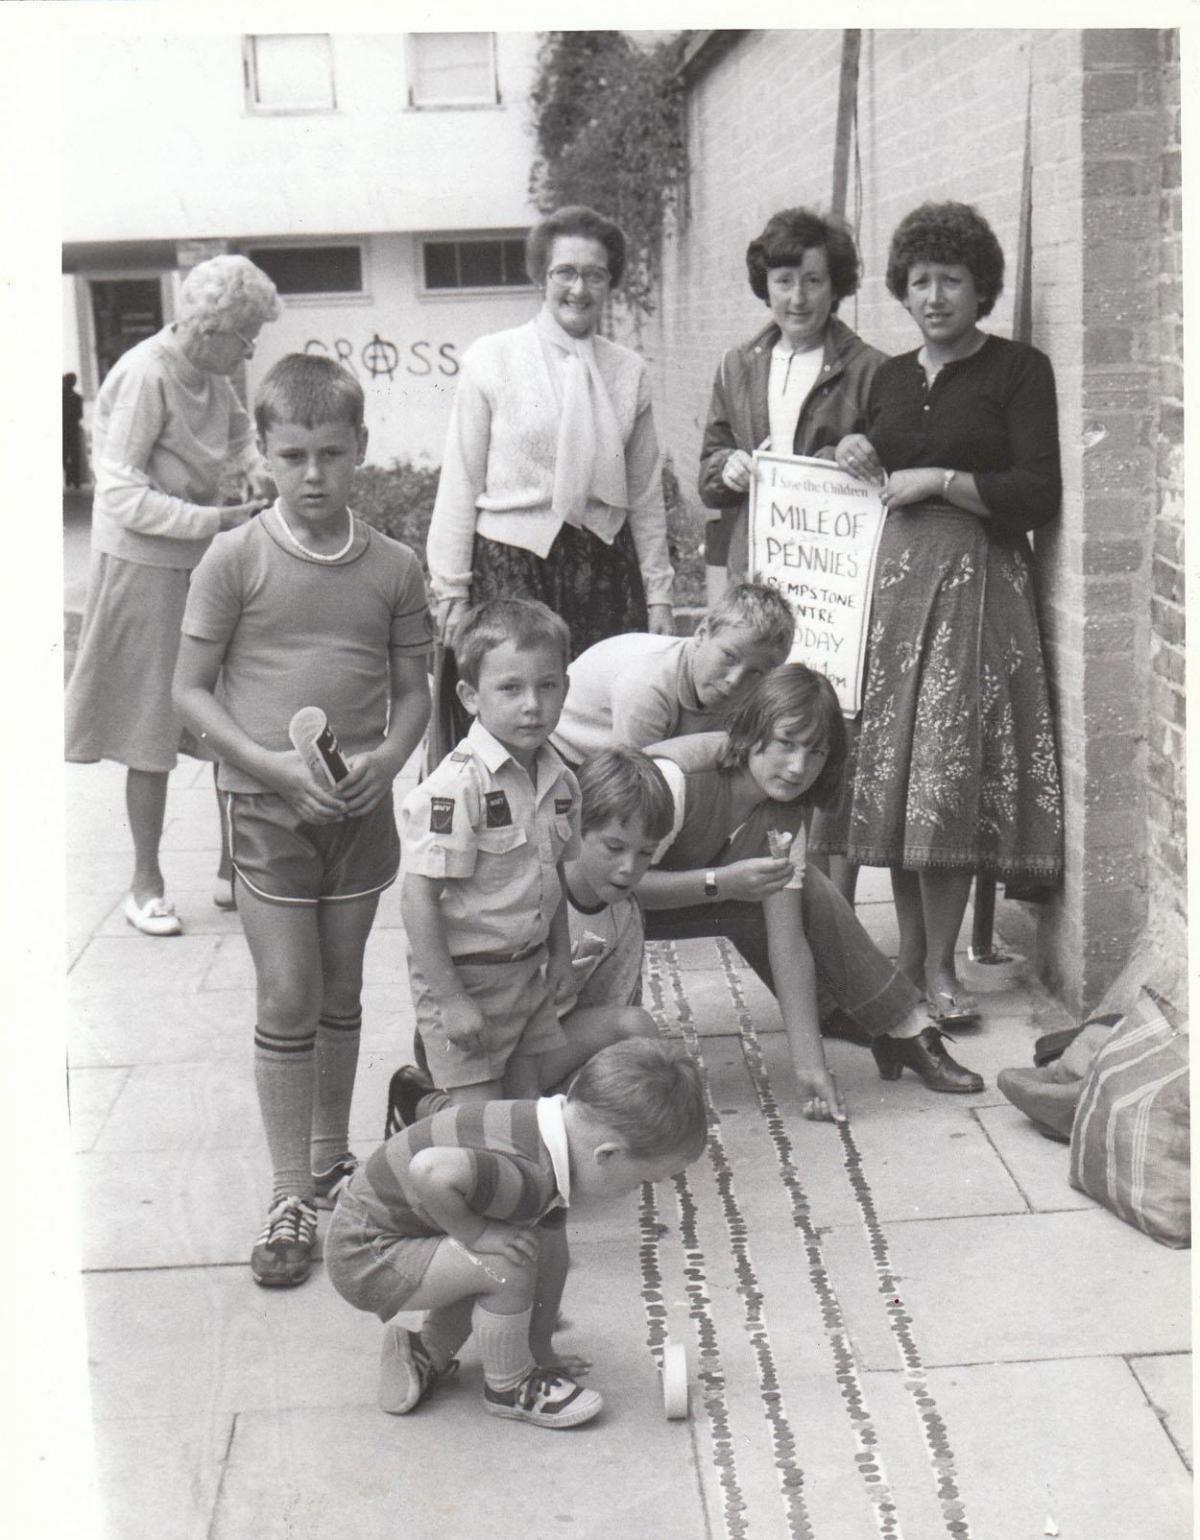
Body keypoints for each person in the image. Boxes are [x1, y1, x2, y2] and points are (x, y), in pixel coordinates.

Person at [173, 354, 433, 1288]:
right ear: (263, 454)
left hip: (357, 812)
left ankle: (331, 1159)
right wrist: (271, 767)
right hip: (267, 810)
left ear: (360, 448)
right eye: (293, 455)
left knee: (340, 988)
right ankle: (288, 1190)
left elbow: (415, 695)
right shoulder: (234, 557)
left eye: (331, 452)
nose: (313, 474)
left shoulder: (394, 566)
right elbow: (189, 693)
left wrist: (389, 763)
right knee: (286, 993)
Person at [832, 201, 1063, 1025]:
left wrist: (941, 481)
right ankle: (905, 957)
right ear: (903, 287)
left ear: (981, 287)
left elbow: (1039, 490)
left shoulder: (1017, 371)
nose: (935, 296)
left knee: (946, 773)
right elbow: (867, 457)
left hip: (978, 588)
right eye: (921, 280)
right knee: (896, 778)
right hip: (897, 599)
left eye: (952, 279)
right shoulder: (891, 377)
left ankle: (940, 967)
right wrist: (851, 449)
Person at [637, 666, 985, 1119]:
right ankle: (887, 1026)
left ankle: (899, 1029)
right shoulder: (676, 778)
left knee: (801, 891)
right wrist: (720, 883)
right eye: (786, 742)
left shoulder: (783, 812)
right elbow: (608, 888)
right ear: (752, 729)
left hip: (683, 900)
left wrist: (812, 1070)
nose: (799, 766)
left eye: (816, 751)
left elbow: (788, 945)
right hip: (603, 917)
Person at [326, 1037, 708, 1426]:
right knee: (506, 1262)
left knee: (514, 1251)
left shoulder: (550, 1135)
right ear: (607, 1154)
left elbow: (554, 1255)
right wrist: (478, 1236)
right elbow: (430, 1171)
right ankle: (511, 1386)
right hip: (366, 1256)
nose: (639, 1190)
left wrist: (541, 1345)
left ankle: (425, 1351)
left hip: (388, 1234)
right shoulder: (528, 1177)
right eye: (643, 1179)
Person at [66, 254, 281, 935]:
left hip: (200, 558)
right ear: (209, 326)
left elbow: (244, 439)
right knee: (150, 725)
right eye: (245, 335)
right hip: (141, 566)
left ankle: (232, 868)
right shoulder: (145, 374)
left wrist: (257, 477)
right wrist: (214, 520)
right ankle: (144, 881)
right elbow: (121, 490)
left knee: (223, 712)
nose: (250, 349)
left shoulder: (215, 377)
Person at [426, 204, 674, 661]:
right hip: (511, 571)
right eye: (565, 272)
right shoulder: (491, 358)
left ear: (610, 283)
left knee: (597, 712)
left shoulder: (628, 371)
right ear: (541, 275)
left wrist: (658, 594)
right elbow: (460, 479)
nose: (579, 289)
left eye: (595, 275)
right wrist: (451, 591)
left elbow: (644, 494)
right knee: (519, 710)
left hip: (603, 574)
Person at [386, 746, 676, 1131]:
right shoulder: (528, 892)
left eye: (646, 854)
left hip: (541, 1042)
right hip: (477, 1032)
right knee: (499, 1134)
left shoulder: (624, 914)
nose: (629, 868)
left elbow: (608, 1008)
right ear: (573, 830)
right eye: (614, 847)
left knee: (635, 1032)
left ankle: (537, 1113)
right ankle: (425, 1104)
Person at [399, 598, 581, 1110]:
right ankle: (420, 1106)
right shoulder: (456, 787)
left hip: (526, 973)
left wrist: (562, 955)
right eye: (511, 688)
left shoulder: (561, 780)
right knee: (479, 1124)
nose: (532, 705)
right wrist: (452, 1000)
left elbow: (552, 876)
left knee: (522, 1111)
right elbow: (416, 900)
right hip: (465, 976)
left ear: (566, 687)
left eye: (548, 686)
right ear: (470, 696)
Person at [697, 207, 885, 603]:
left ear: (835, 287)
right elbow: (709, 474)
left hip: (834, 576)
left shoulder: (872, 370)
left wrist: (851, 456)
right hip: (756, 565)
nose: (797, 298)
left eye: (813, 281)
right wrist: (726, 468)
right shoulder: (737, 365)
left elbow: (888, 476)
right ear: (766, 286)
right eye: (784, 281)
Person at [550, 582, 795, 768]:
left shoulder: (739, 687)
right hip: (564, 753)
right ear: (701, 634)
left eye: (756, 672)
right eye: (729, 656)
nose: (735, 680)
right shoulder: (647, 684)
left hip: (631, 757)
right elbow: (632, 780)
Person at [62, 372, 85, 488]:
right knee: (74, 454)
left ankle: (69, 478)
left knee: (64, 454)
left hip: (63, 429)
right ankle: (75, 479)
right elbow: (80, 415)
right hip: (73, 429)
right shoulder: (77, 398)